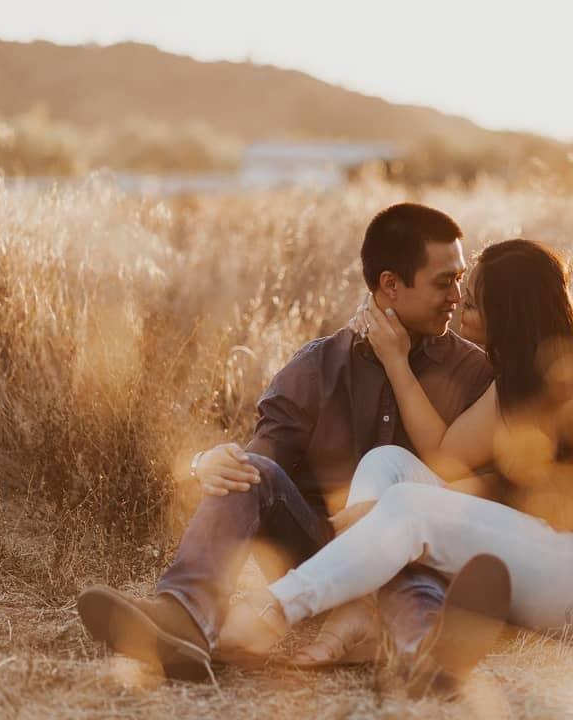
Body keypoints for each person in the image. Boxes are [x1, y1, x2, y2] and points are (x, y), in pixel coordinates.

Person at [77, 203, 497, 686]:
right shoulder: (319, 367)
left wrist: (393, 515)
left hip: (412, 554)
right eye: (444, 282)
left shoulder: (473, 373)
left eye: (459, 279)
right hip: (320, 549)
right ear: (390, 285)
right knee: (248, 469)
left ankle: (426, 656)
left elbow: (485, 492)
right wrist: (215, 463)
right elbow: (265, 458)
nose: (457, 296)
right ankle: (185, 618)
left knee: (410, 551)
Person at [233, 239, 573, 686]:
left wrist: (390, 511)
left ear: (508, 314)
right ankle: (375, 622)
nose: (460, 302)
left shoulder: (558, 380)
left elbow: (541, 500)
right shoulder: (517, 375)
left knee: (409, 505)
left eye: (475, 303)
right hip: (537, 552)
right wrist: (396, 360)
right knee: (387, 463)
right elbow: (446, 456)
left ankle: (271, 611)